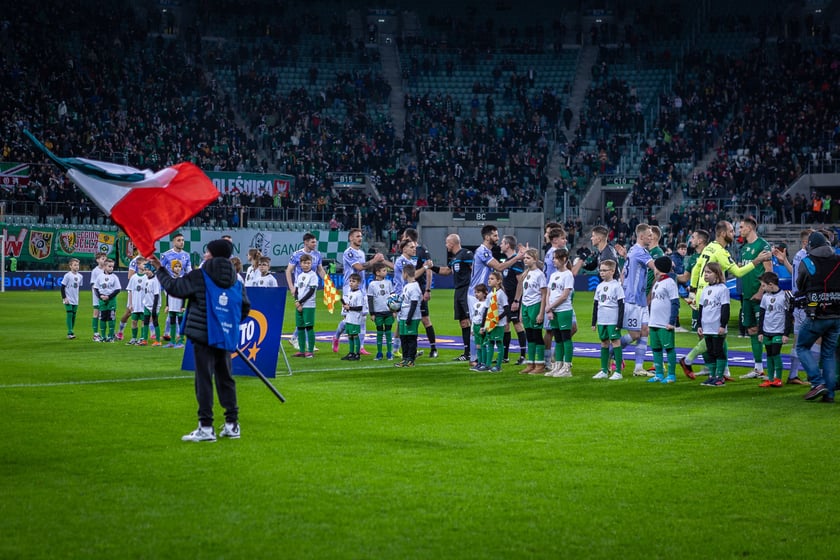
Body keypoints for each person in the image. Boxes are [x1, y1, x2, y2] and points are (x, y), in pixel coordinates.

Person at [150, 239, 251, 442]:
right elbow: (244, 307)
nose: (204, 255)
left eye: (207, 252)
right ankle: (232, 424)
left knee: (204, 379)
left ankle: (206, 427)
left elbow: (174, 288)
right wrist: (225, 322)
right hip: (224, 334)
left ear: (212, 254)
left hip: (203, 334)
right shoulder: (236, 281)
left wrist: (160, 269)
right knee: (226, 378)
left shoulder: (200, 275)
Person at [685, 221, 772, 380]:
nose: (735, 233)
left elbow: (697, 268)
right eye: (732, 231)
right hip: (713, 295)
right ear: (723, 233)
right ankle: (689, 360)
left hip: (702, 294)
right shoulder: (720, 252)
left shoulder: (710, 247)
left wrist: (692, 290)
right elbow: (738, 272)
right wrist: (756, 261)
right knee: (713, 335)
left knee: (716, 335)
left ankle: (721, 371)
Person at [795, 232, 840, 403]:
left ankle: (817, 382)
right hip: (837, 314)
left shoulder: (807, 261)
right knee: (828, 354)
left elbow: (800, 284)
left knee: (802, 347)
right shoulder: (838, 259)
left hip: (817, 311)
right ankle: (829, 394)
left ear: (811, 246)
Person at [772, 229, 814, 384]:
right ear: (805, 242)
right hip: (805, 303)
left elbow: (795, 275)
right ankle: (811, 375)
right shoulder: (806, 257)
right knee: (813, 340)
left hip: (799, 304)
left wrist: (785, 262)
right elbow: (801, 280)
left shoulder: (799, 256)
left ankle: (794, 374)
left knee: (799, 340)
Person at [333, 228, 383, 355]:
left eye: (361, 236)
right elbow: (359, 267)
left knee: (363, 318)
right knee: (349, 319)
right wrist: (374, 260)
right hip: (349, 289)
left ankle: (360, 347)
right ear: (351, 238)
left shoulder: (361, 252)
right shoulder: (348, 253)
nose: (360, 238)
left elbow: (364, 267)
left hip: (361, 290)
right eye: (357, 236)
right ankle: (337, 336)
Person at [736, 217, 774, 380]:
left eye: (742, 227)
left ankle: (772, 370)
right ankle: (758, 368)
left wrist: (760, 292)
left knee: (764, 332)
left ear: (750, 228)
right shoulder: (744, 248)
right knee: (751, 330)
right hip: (746, 296)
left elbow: (769, 271)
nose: (739, 230)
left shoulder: (762, 245)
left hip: (759, 296)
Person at [618, 223, 657, 377]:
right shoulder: (640, 252)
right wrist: (667, 264)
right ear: (641, 236)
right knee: (635, 335)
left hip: (639, 299)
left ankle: (638, 368)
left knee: (645, 331)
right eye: (649, 235)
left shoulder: (634, 251)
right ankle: (611, 351)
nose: (651, 237)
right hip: (632, 299)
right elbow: (655, 266)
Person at [432, 234, 474, 362]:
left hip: (467, 290)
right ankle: (467, 353)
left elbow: (474, 270)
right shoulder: (455, 257)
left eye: (446, 243)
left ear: (452, 243)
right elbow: (447, 271)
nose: (446, 245)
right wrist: (431, 267)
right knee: (463, 322)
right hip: (458, 291)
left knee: (471, 320)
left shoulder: (466, 254)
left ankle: (476, 351)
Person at [285, 232, 327, 351]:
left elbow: (320, 270)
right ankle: (298, 339)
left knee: (305, 315)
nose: (315, 244)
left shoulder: (317, 254)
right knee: (302, 314)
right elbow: (288, 271)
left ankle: (296, 339)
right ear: (306, 242)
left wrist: (328, 282)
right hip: (300, 288)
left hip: (311, 288)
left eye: (315, 241)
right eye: (313, 242)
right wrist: (292, 287)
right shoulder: (297, 254)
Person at [678, 229, 710, 378]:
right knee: (701, 334)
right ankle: (708, 366)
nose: (691, 240)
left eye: (693, 237)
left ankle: (717, 367)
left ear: (701, 241)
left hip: (709, 299)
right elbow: (685, 278)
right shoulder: (692, 259)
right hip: (696, 301)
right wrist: (670, 273)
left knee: (713, 333)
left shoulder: (711, 254)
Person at [402, 228, 439, 358]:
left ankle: (433, 348)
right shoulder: (405, 251)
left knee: (425, 319)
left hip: (419, 289)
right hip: (407, 289)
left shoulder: (422, 251)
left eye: (404, 236)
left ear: (408, 237)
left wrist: (428, 290)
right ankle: (410, 350)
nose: (402, 238)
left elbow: (429, 270)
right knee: (407, 318)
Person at [756, 271, 792, 388]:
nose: (762, 288)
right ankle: (770, 379)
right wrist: (760, 331)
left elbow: (788, 316)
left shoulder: (784, 296)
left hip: (779, 331)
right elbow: (762, 315)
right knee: (769, 355)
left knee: (776, 354)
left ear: (771, 284)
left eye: (763, 285)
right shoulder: (765, 297)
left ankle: (778, 379)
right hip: (767, 331)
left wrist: (786, 333)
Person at [647, 256, 679, 384]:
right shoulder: (657, 283)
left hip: (665, 323)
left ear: (658, 268)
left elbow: (675, 303)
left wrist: (672, 322)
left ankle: (671, 375)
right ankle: (659, 374)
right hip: (654, 322)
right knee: (656, 349)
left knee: (669, 348)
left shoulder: (670, 282)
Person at [698, 262, 730, 387]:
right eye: (705, 272)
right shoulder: (706, 289)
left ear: (717, 274)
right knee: (709, 351)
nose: (706, 275)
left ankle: (720, 377)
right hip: (706, 326)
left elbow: (725, 308)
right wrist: (699, 325)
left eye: (709, 272)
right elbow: (701, 308)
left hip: (717, 326)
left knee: (718, 351)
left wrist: (723, 325)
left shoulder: (723, 289)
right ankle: (711, 376)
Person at [592, 259, 625, 380]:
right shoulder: (599, 286)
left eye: (604, 270)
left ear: (612, 271)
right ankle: (604, 370)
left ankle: (618, 372)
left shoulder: (617, 286)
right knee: (604, 342)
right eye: (600, 270)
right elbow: (596, 304)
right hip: (602, 319)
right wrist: (593, 322)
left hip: (612, 319)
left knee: (616, 342)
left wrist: (619, 323)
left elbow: (621, 305)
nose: (602, 273)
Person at [515, 249, 547, 374]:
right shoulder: (525, 274)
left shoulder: (539, 275)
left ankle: (540, 364)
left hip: (535, 305)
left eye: (528, 258)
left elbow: (544, 294)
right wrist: (521, 310)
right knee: (529, 336)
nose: (525, 260)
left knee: (537, 335)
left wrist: (541, 312)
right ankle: (531, 363)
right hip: (526, 306)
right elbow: (524, 293)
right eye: (525, 258)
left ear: (534, 259)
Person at [545, 248, 575, 377]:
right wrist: (549, 308)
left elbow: (564, 295)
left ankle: (567, 367)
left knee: (565, 338)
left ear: (563, 260)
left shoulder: (568, 275)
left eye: (556, 258)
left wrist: (550, 306)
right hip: (554, 310)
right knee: (557, 339)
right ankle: (558, 365)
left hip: (563, 310)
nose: (553, 261)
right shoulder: (553, 275)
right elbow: (548, 292)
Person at [499, 234, 528, 365]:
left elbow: (520, 282)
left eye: (502, 243)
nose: (500, 245)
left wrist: (516, 300)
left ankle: (523, 356)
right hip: (506, 299)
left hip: (513, 300)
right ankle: (505, 356)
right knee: (505, 326)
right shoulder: (508, 261)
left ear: (508, 245)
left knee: (517, 324)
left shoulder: (516, 262)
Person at [480, 271, 509, 373]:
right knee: (490, 342)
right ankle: (487, 365)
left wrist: (498, 318)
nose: (489, 280)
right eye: (489, 278)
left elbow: (507, 310)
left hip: (499, 323)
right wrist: (483, 325)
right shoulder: (490, 295)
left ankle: (498, 366)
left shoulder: (501, 294)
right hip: (490, 322)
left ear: (498, 281)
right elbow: (486, 310)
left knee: (499, 343)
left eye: (492, 279)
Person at [395, 264, 423, 368]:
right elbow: (402, 301)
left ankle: (411, 359)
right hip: (403, 316)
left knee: (411, 338)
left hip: (412, 317)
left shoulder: (415, 287)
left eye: (402, 273)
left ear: (405, 274)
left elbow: (414, 303)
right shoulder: (406, 286)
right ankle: (405, 358)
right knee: (403, 338)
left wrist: (409, 318)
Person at [292, 253, 318, 358]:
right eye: (304, 263)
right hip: (299, 305)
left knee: (309, 327)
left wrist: (300, 302)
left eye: (308, 263)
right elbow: (296, 291)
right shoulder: (300, 276)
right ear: (300, 264)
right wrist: (297, 301)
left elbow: (311, 291)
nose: (306, 265)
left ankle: (310, 351)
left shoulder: (313, 276)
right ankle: (302, 350)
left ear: (311, 264)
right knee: (300, 327)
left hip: (308, 305)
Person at [367, 262, 394, 360]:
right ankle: (379, 353)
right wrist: (372, 313)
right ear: (377, 273)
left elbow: (393, 297)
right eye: (384, 270)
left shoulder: (389, 282)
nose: (386, 272)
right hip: (378, 312)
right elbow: (370, 299)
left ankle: (389, 353)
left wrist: (394, 311)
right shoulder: (372, 284)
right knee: (379, 332)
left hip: (388, 312)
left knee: (388, 331)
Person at [93, 258, 121, 342]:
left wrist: (109, 296)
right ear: (104, 267)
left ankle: (111, 336)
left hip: (111, 300)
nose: (111, 268)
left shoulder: (114, 277)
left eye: (112, 266)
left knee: (111, 317)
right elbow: (96, 288)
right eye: (109, 266)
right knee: (102, 318)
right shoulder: (100, 277)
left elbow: (118, 289)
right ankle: (103, 336)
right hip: (102, 301)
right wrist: (100, 296)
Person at [116, 251, 141, 341]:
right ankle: (120, 332)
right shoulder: (135, 261)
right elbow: (130, 277)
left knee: (146, 313)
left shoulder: (149, 260)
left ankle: (147, 336)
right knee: (129, 312)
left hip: (146, 291)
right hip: (135, 291)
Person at [341, 273, 365, 361]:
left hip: (355, 318)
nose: (351, 283)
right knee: (350, 335)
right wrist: (346, 307)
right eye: (350, 281)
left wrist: (349, 307)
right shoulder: (350, 292)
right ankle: (351, 353)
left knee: (355, 335)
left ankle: (357, 354)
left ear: (358, 283)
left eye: (353, 281)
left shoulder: (359, 294)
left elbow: (360, 307)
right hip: (349, 317)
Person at [125, 257, 149, 345]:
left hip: (144, 304)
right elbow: (130, 291)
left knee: (143, 321)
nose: (146, 266)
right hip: (135, 304)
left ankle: (142, 338)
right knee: (134, 321)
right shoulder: (133, 277)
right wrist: (130, 304)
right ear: (138, 265)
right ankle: (134, 338)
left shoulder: (147, 277)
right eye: (144, 264)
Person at [164, 259, 186, 348]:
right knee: (172, 323)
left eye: (179, 266)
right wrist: (167, 305)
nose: (177, 268)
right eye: (175, 266)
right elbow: (168, 293)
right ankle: (172, 341)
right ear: (172, 268)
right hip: (172, 304)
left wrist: (183, 306)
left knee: (180, 323)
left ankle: (181, 341)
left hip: (179, 305)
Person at [60, 257, 82, 339]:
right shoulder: (67, 275)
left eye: (78, 265)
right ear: (70, 266)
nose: (77, 266)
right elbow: (62, 287)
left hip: (76, 299)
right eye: (75, 265)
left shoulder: (80, 276)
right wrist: (64, 298)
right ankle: (70, 332)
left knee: (73, 315)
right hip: (68, 298)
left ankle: (71, 331)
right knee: (69, 314)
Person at [469, 284, 490, 372]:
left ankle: (484, 363)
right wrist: (472, 328)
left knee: (483, 345)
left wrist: (484, 327)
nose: (476, 294)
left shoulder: (486, 304)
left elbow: (486, 317)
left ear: (485, 293)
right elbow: (474, 317)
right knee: (478, 346)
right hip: (476, 326)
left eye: (478, 292)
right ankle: (479, 363)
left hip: (483, 327)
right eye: (475, 292)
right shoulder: (475, 304)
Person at [143, 265, 162, 346]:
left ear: (153, 271)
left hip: (154, 305)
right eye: (145, 270)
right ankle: (144, 340)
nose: (146, 271)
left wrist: (154, 308)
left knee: (155, 322)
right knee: (146, 322)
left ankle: (158, 340)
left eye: (148, 270)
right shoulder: (146, 279)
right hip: (146, 304)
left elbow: (156, 295)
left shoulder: (155, 281)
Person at [89, 252, 107, 341]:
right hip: (97, 296)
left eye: (105, 258)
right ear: (97, 260)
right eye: (102, 258)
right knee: (96, 313)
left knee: (105, 314)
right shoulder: (95, 271)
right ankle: (95, 333)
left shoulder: (107, 269)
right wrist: (99, 295)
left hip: (106, 296)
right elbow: (93, 285)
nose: (104, 260)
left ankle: (105, 333)